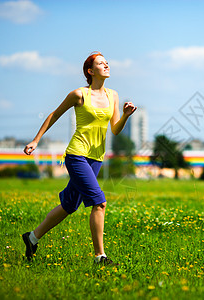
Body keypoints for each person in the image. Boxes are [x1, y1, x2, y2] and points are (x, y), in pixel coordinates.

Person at [22, 52, 137, 265]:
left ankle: (32, 238)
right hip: (77, 155)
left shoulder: (113, 95)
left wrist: (126, 116)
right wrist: (36, 140)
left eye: (107, 62)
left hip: (96, 158)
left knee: (69, 205)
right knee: (99, 203)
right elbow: (54, 114)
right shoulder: (79, 94)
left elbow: (115, 129)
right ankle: (99, 257)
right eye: (101, 63)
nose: (106, 64)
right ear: (90, 71)